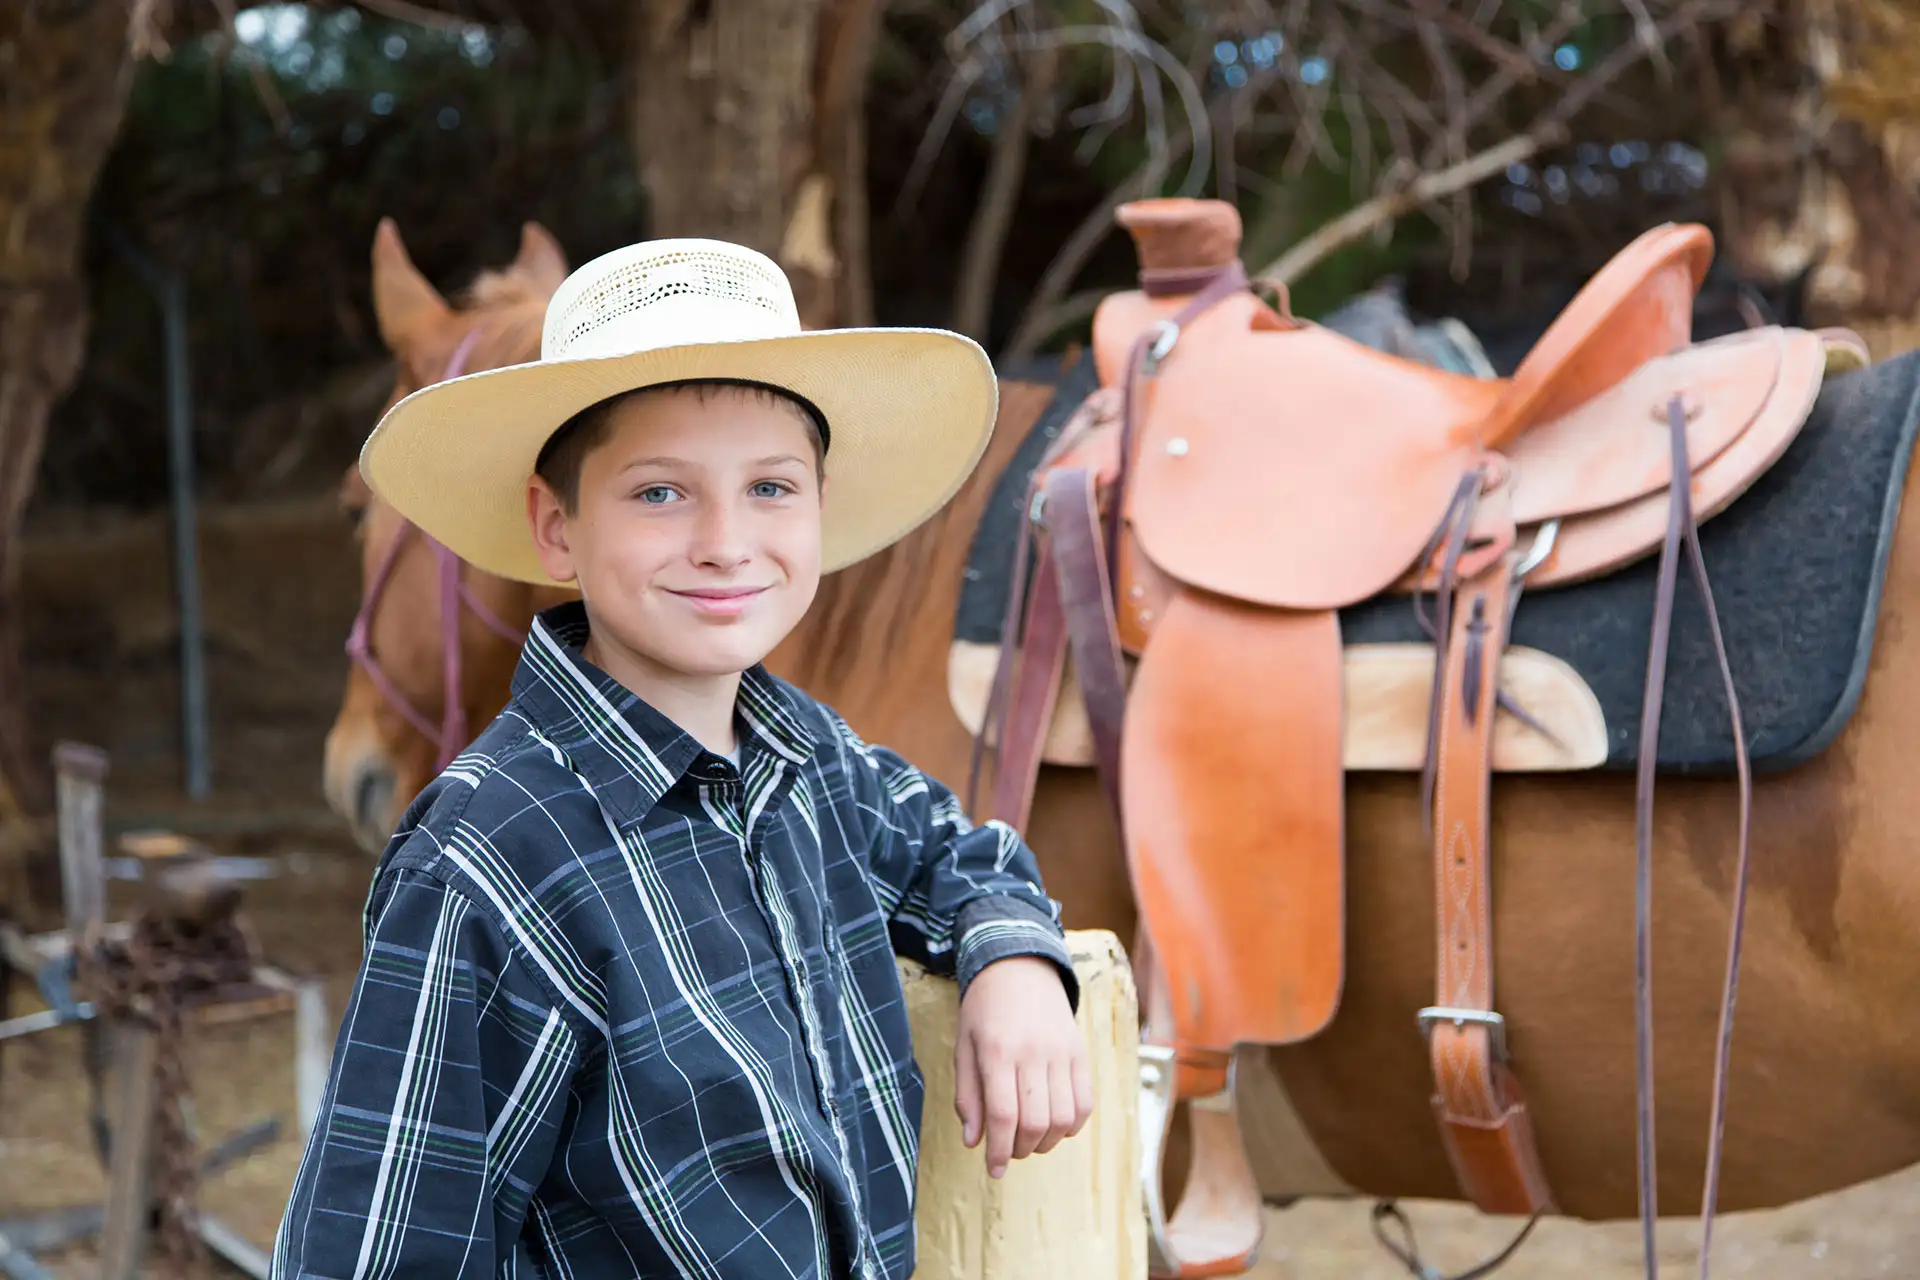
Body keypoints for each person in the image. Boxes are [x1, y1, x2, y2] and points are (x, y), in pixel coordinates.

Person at [271, 238, 1091, 1280]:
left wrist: (1013, 956)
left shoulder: (807, 757)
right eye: (660, 493)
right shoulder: (486, 863)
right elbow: (379, 1253)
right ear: (556, 526)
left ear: (820, 509)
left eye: (770, 487)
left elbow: (950, 846)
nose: (724, 540)